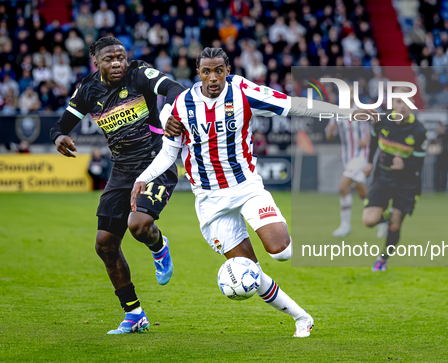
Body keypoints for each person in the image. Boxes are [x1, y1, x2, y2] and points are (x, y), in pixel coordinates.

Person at [131, 47, 374, 338]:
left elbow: (294, 104)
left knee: (282, 252)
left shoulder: (243, 91)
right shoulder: (180, 106)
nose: (213, 78)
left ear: (228, 71)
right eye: (206, 71)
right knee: (249, 272)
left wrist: (346, 112)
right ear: (198, 73)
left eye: (218, 70)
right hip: (210, 201)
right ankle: (302, 317)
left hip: (246, 187)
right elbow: (169, 153)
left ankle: (283, 231)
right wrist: (143, 178)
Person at [49, 37, 185, 334]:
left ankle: (158, 245)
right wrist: (59, 138)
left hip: (155, 163)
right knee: (104, 244)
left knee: (138, 226)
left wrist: (174, 113)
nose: (117, 64)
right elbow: (60, 126)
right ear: (96, 63)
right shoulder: (87, 91)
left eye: (121, 57)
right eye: (110, 59)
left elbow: (175, 89)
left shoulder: (139, 75)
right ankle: (134, 313)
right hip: (121, 171)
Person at [362, 96, 427, 271]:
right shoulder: (382, 122)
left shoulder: (419, 130)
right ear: (393, 104)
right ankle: (390, 216)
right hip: (383, 177)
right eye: (399, 102)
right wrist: (369, 162)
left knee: (396, 224)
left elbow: (420, 161)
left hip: (407, 183)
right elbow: (374, 141)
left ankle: (383, 258)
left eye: (407, 103)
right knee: (368, 221)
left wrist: (405, 164)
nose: (403, 106)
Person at [325, 115, 370, 237]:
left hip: (361, 155)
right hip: (347, 157)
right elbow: (329, 136)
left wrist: (368, 139)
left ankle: (345, 225)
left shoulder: (363, 110)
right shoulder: (336, 114)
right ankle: (382, 219)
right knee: (362, 191)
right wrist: (330, 131)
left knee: (342, 187)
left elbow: (379, 127)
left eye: (350, 93)